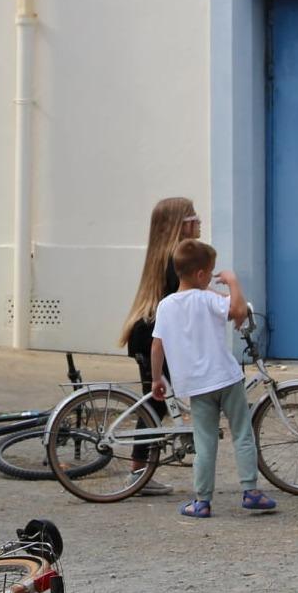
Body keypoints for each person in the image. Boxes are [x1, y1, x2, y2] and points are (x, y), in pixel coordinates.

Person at [150, 239, 277, 518]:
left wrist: (156, 378)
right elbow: (239, 311)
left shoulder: (166, 306)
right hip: (226, 378)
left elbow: (157, 346)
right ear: (200, 275)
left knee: (205, 441)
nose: (213, 276)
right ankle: (251, 492)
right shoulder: (209, 299)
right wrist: (233, 282)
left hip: (196, 385)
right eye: (210, 272)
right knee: (242, 434)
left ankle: (202, 501)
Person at [118, 197, 202, 496]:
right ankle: (137, 472)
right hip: (154, 337)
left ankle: (139, 472)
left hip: (150, 333)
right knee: (153, 405)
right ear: (181, 224)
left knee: (155, 406)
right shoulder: (176, 257)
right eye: (194, 216)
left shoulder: (166, 255)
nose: (200, 221)